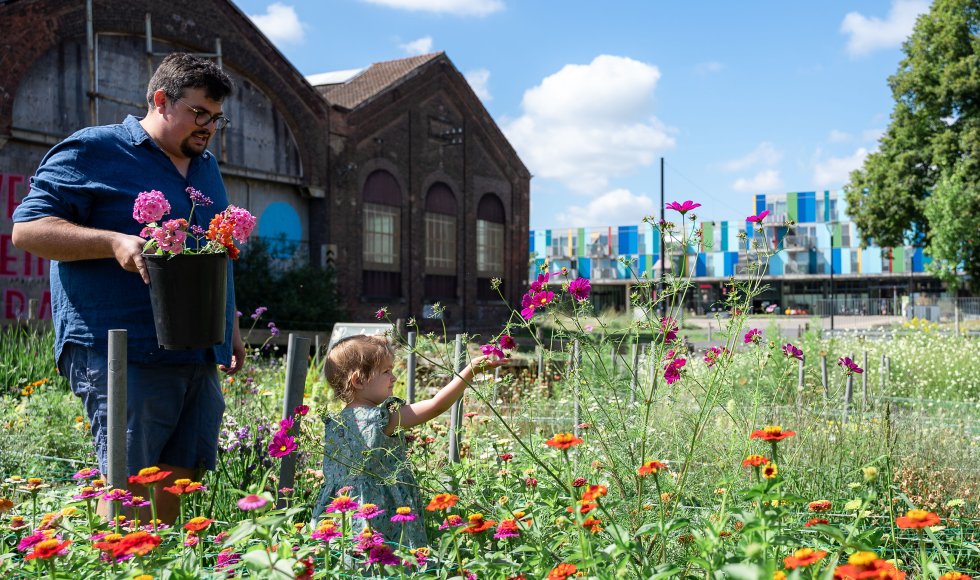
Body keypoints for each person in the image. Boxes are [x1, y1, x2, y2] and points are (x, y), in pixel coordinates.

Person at [11, 53, 244, 523]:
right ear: (161, 100)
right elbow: (28, 229)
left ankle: (161, 563)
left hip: (195, 348)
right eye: (199, 113)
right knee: (129, 480)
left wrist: (230, 326)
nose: (209, 127)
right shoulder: (95, 149)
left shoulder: (206, 168)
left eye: (217, 119)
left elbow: (216, 256)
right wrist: (113, 241)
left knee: (182, 474)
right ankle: (118, 563)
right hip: (120, 347)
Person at [311, 335, 506, 548]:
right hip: (378, 512)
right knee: (389, 560)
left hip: (342, 512)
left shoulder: (334, 422)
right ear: (358, 380)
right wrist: (468, 372)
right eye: (386, 371)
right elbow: (435, 407)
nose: (393, 377)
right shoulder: (381, 419)